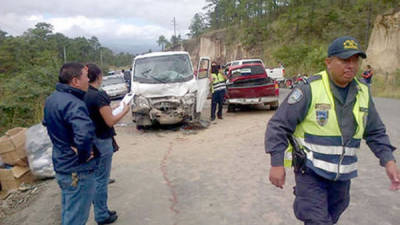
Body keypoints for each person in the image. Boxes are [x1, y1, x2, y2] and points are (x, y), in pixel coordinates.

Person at [265, 36, 400, 225]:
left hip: (342, 176)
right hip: (311, 172)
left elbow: (375, 131)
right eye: (345, 60)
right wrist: (277, 163)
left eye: (355, 60)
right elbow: (278, 125)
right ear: (329, 62)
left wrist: (389, 161)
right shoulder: (309, 89)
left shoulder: (362, 92)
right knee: (318, 220)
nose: (351, 65)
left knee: (330, 217)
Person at [43, 62, 99, 225]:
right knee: (76, 217)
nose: (88, 80)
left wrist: (65, 142)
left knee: (70, 212)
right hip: (77, 169)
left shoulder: (52, 99)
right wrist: (84, 155)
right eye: (85, 76)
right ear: (75, 81)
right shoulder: (74, 103)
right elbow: (84, 133)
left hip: (62, 165)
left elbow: (47, 123)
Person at [84, 64, 131, 225]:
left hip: (90, 139)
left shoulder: (84, 94)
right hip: (101, 140)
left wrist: (115, 107)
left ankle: (101, 208)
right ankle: (102, 214)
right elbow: (109, 121)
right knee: (101, 179)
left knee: (97, 177)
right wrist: (124, 110)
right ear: (98, 76)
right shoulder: (99, 95)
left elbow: (99, 113)